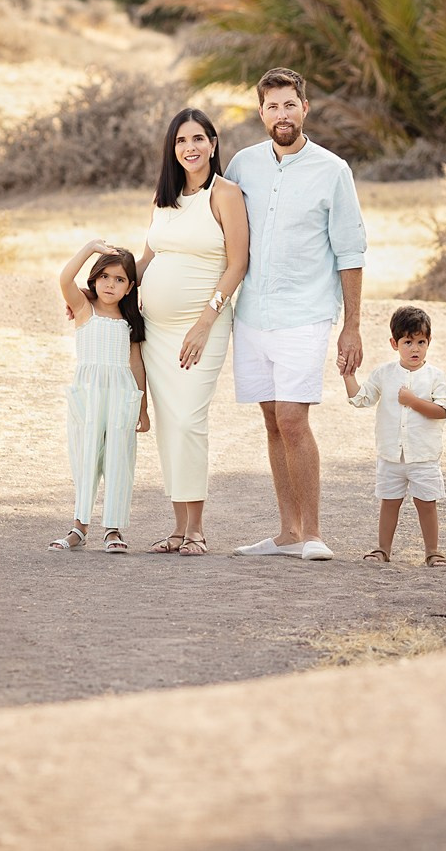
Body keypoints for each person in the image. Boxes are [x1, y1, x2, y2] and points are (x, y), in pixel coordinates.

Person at [225, 67, 365, 561]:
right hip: (251, 314)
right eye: (272, 107)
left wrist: (352, 326)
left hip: (305, 313)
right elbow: (218, 229)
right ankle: (287, 533)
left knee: (292, 418)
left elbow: (350, 251)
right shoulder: (242, 165)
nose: (281, 115)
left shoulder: (333, 170)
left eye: (290, 105)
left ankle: (313, 534)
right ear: (261, 113)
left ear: (305, 108)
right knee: (271, 420)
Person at [136, 107, 250, 555]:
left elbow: (237, 263)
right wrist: (99, 291)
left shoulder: (225, 194)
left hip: (203, 326)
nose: (190, 147)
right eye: (181, 140)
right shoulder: (163, 198)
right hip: (156, 330)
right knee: (169, 425)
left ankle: (197, 528)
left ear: (213, 144)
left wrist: (205, 323)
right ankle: (178, 528)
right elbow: (147, 260)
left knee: (188, 419)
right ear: (172, 148)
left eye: (198, 138)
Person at [53, 242, 150, 552]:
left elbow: (136, 364)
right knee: (85, 457)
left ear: (130, 287)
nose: (110, 284)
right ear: (94, 278)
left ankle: (113, 530)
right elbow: (65, 279)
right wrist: (90, 248)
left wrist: (142, 408)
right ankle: (79, 527)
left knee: (119, 459)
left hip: (121, 394)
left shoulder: (130, 320)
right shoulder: (84, 309)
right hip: (88, 395)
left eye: (119, 279)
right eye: (105, 276)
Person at [347, 305, 446, 566]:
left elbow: (442, 410)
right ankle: (382, 550)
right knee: (389, 502)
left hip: (423, 456)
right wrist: (348, 375)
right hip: (391, 456)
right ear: (394, 343)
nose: (414, 349)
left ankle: (433, 552)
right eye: (408, 342)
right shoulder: (384, 374)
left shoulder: (435, 376)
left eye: (421, 342)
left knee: (426, 503)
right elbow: (361, 399)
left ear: (429, 342)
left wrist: (412, 401)